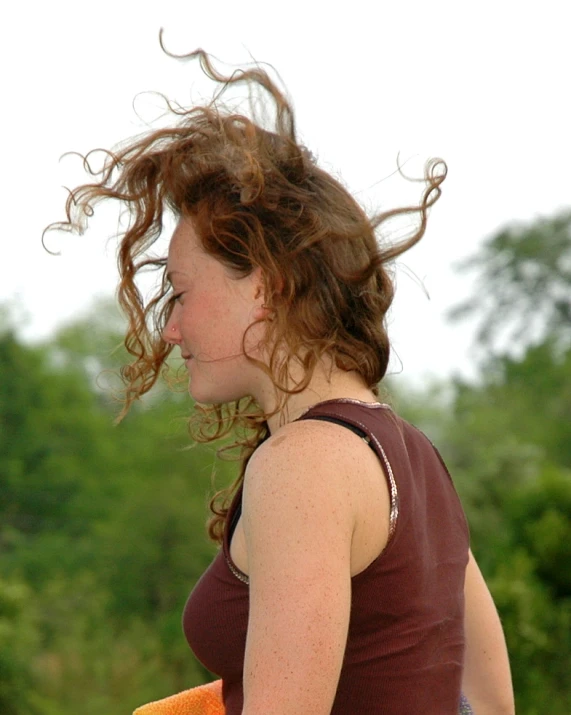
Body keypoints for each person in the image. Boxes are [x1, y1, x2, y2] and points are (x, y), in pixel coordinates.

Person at [48, 44, 515, 715]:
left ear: (262, 289)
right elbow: (487, 704)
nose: (169, 330)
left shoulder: (303, 465)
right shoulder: (413, 454)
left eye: (180, 292)